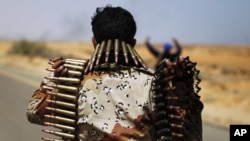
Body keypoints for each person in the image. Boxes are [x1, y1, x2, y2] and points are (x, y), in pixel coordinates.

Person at [26, 5, 203, 141]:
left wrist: (53, 82)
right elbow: (192, 135)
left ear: (94, 42)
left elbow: (33, 113)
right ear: (132, 44)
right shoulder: (157, 85)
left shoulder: (74, 80)